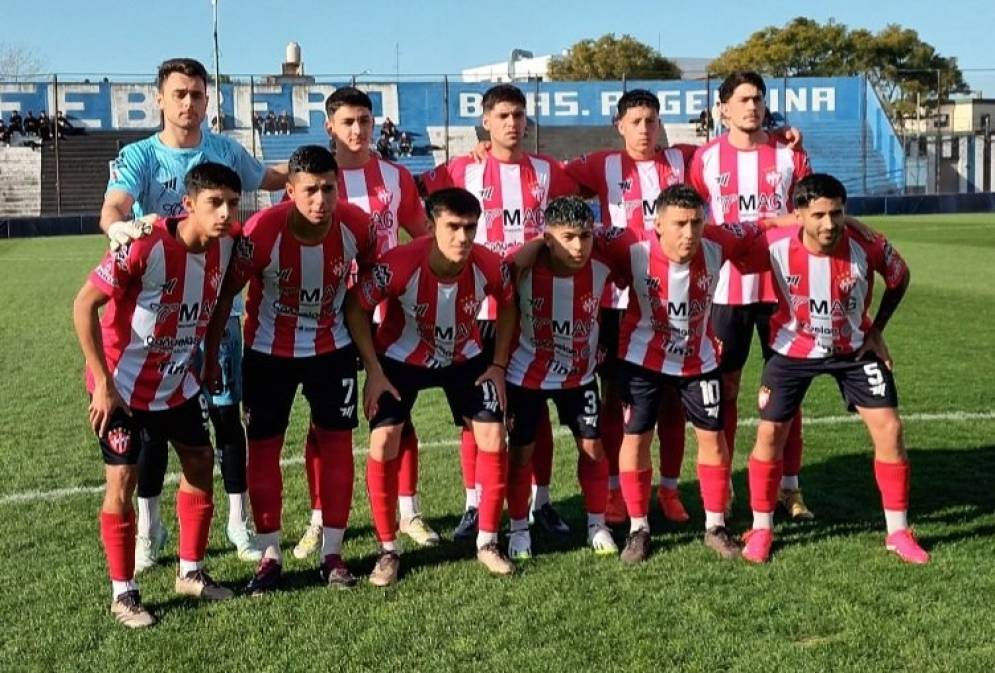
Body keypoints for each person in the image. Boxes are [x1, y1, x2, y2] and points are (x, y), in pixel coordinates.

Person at [100, 57, 289, 573]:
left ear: (208, 100)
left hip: (213, 315)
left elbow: (269, 176)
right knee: (154, 430)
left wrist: (321, 163)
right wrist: (118, 228)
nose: (189, 103)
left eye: (198, 95)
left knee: (226, 416)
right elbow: (115, 206)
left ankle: (236, 520)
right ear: (159, 98)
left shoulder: (224, 149)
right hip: (153, 320)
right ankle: (149, 527)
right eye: (179, 94)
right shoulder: (139, 156)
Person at [72, 162, 243, 629]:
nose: (225, 212)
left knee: (200, 462)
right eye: (214, 202)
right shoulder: (144, 245)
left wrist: (207, 361)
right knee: (122, 480)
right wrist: (103, 383)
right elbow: (83, 304)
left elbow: (215, 308)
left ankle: (190, 571)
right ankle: (123, 592)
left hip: (178, 384)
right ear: (188, 204)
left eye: (232, 202)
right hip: (123, 390)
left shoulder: (229, 243)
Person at [205, 145, 378, 594]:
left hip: (333, 349)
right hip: (268, 352)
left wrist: (374, 357)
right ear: (290, 190)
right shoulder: (263, 231)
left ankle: (333, 554)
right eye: (310, 191)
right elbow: (226, 296)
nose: (320, 200)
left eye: (328, 189)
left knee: (338, 449)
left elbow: (376, 280)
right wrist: (208, 356)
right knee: (263, 451)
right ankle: (269, 556)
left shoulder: (357, 226)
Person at [594, 184, 796, 564]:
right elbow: (570, 235)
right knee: (635, 438)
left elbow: (762, 224)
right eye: (680, 224)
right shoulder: (629, 244)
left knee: (713, 438)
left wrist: (824, 219)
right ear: (658, 224)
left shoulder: (718, 240)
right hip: (641, 359)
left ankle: (715, 526)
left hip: (698, 359)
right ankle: (639, 529)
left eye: (696, 223)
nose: (689, 233)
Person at [740, 173, 928, 565]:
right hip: (792, 347)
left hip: (855, 349)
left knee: (891, 429)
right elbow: (732, 240)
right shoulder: (772, 243)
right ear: (800, 216)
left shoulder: (867, 243)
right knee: (771, 430)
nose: (829, 224)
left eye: (838, 213)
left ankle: (898, 532)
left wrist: (877, 330)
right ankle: (761, 528)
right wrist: (774, 221)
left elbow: (901, 276)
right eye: (819, 215)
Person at [420, 83, 579, 541]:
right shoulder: (460, 169)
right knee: (476, 411)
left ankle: (542, 501)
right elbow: (417, 196)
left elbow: (579, 201)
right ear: (486, 122)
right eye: (503, 115)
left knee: (536, 405)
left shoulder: (547, 171)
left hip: (536, 305)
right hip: (476, 306)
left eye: (519, 115)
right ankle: (474, 503)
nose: (513, 123)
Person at [289, 86, 436, 556]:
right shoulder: (318, 180)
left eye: (365, 122)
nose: (358, 131)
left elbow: (424, 235)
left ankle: (408, 510)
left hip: (390, 315)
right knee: (322, 422)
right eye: (348, 122)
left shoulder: (395, 176)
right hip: (328, 315)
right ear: (329, 126)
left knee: (397, 413)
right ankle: (318, 518)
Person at [345, 187, 515, 586]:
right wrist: (373, 369)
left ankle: (488, 542)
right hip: (402, 358)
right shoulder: (400, 264)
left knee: (493, 434)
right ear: (430, 225)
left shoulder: (489, 263)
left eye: (470, 228)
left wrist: (499, 365)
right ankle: (388, 550)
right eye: (452, 227)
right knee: (384, 440)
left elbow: (508, 304)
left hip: (464, 358)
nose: (462, 237)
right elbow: (356, 304)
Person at [564, 89, 700, 526]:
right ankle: (616, 492)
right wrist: (483, 152)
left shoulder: (684, 160)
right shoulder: (600, 165)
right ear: (619, 125)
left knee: (673, 403)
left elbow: (732, 154)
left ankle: (670, 489)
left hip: (672, 300)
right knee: (613, 400)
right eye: (636, 121)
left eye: (651, 120)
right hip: (616, 302)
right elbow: (548, 178)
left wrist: (781, 138)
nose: (645, 129)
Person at [689, 71, 813, 520]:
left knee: (787, 389)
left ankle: (789, 488)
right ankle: (724, 488)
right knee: (725, 388)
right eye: (743, 99)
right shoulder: (704, 159)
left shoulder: (789, 154)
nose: (752, 106)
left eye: (758, 99)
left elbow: (807, 212)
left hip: (784, 287)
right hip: (725, 290)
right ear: (723, 108)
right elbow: (697, 216)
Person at [498, 197, 618, 560]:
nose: (579, 246)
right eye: (568, 237)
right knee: (520, 454)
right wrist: (534, 244)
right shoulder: (525, 268)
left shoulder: (603, 265)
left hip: (579, 376)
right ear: (547, 239)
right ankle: (519, 528)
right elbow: (503, 277)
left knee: (593, 448)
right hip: (526, 374)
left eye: (585, 235)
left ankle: (597, 524)